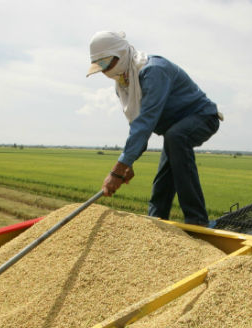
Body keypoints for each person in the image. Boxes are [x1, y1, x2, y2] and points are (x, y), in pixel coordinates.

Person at [86, 31, 222, 226]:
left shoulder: (153, 71)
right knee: (164, 178)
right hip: (174, 132)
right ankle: (155, 223)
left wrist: (117, 171)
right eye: (102, 68)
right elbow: (136, 127)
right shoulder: (124, 84)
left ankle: (197, 220)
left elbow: (145, 122)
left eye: (107, 63)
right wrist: (128, 165)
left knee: (176, 138)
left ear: (121, 53)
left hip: (202, 117)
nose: (106, 72)